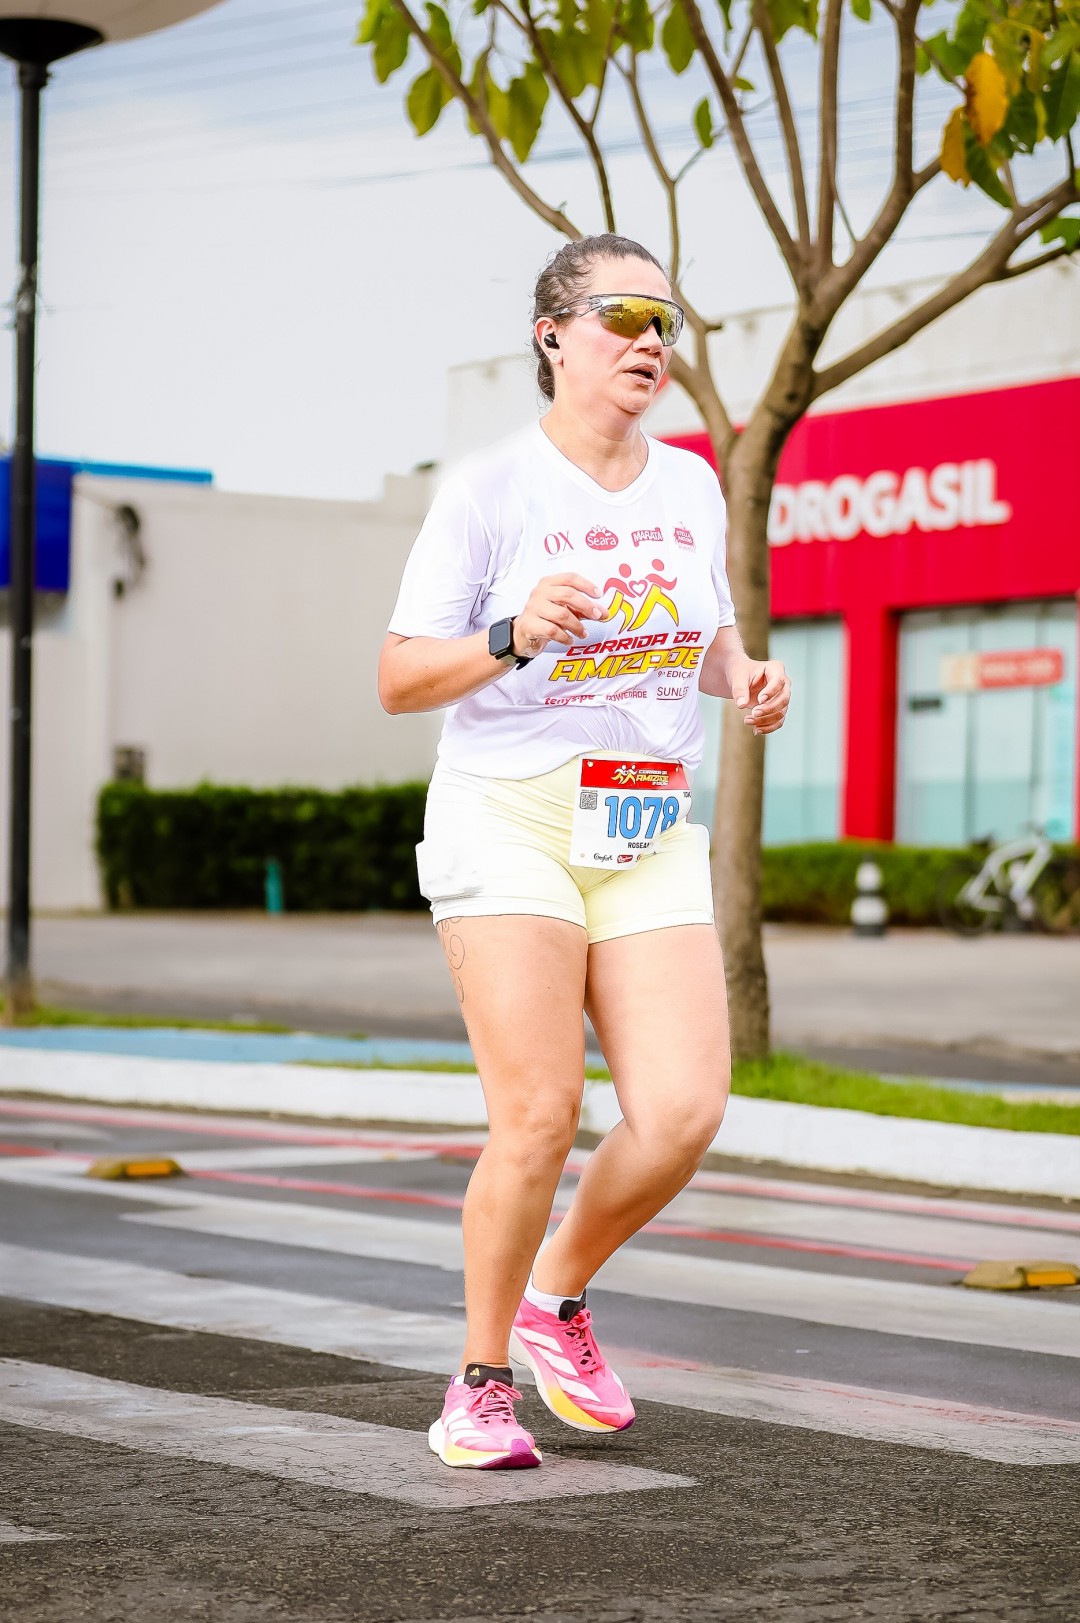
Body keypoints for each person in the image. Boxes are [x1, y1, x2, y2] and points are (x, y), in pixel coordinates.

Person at [379, 233, 791, 1470]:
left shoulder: (691, 485)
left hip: (644, 818)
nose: (651, 342)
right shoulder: (491, 488)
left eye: (668, 322)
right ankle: (479, 1384)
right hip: (509, 814)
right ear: (553, 333)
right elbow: (399, 678)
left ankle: (553, 1294)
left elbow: (704, 633)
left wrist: (743, 676)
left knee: (682, 1112)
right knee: (540, 1113)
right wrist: (512, 633)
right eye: (624, 316)